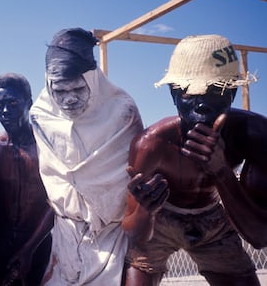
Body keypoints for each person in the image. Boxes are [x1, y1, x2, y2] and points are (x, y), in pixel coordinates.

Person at [122, 34, 267, 286]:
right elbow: (134, 234)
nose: (202, 105)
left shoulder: (255, 135)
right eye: (189, 93)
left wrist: (221, 172)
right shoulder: (151, 144)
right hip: (161, 217)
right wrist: (146, 210)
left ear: (232, 93)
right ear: (173, 95)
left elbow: (260, 236)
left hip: (216, 217)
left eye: (215, 91)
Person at [30, 28, 143, 285]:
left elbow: (136, 170)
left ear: (92, 79)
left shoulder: (122, 111)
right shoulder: (40, 114)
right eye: (60, 91)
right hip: (66, 232)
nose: (69, 99)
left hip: (114, 232)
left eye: (78, 89)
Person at [0, 72, 53, 285]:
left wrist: (28, 250)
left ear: (28, 103)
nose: (4, 111)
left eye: (12, 103)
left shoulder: (46, 147)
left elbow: (56, 202)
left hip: (38, 243)